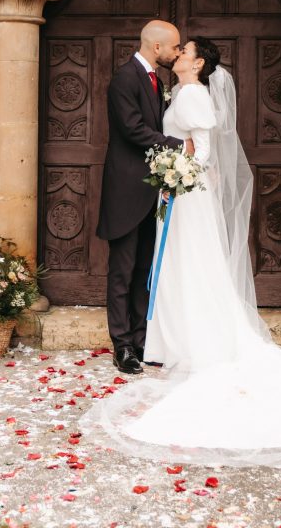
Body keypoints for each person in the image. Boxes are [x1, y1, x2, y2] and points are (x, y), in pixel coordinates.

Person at [83, 36, 281, 468]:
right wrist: (179, 161)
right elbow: (176, 139)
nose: (178, 54)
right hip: (175, 192)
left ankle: (178, 341)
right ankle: (158, 340)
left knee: (187, 266)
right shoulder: (177, 90)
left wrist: (179, 168)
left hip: (185, 193)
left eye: (185, 51)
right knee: (174, 267)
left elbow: (204, 149)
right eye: (176, 47)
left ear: (198, 64)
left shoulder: (191, 94)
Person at [96, 20, 194, 376]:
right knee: (122, 272)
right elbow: (133, 129)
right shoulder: (125, 78)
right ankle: (122, 345)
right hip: (126, 191)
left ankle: (140, 340)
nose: (177, 52)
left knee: (142, 271)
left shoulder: (156, 81)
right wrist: (178, 145)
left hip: (151, 192)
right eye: (174, 47)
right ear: (157, 48)